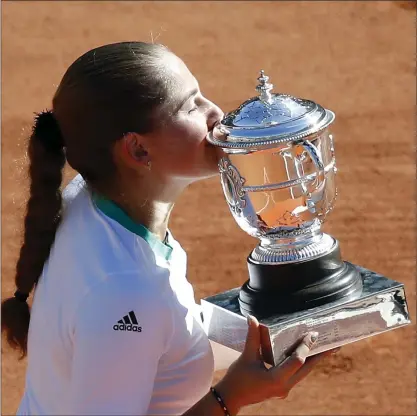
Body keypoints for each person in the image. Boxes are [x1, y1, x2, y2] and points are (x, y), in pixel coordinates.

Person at [2, 41, 337, 416]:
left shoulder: (93, 201)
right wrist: (231, 397)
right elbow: (135, 313)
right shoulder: (126, 289)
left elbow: (160, 334)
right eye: (191, 106)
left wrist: (279, 317)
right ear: (139, 151)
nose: (216, 113)